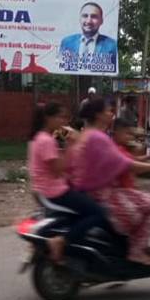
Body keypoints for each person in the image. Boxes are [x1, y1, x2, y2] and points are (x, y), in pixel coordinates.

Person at [68, 98, 150, 265]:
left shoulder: (89, 134)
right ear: (99, 115)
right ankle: (137, 252)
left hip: (92, 191)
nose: (112, 113)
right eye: (109, 110)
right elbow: (126, 164)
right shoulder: (97, 137)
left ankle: (137, 244)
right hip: (101, 194)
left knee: (146, 201)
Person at [28, 101, 110, 263]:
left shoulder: (45, 137)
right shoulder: (46, 140)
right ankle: (62, 241)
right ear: (48, 118)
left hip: (53, 187)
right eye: (61, 117)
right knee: (99, 213)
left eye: (66, 118)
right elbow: (59, 168)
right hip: (54, 191)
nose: (65, 122)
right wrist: (70, 145)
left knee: (85, 203)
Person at [58, 2, 117, 73]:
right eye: (85, 16)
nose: (89, 21)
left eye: (94, 16)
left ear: (101, 21)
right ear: (79, 19)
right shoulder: (67, 42)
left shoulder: (112, 45)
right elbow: (60, 67)